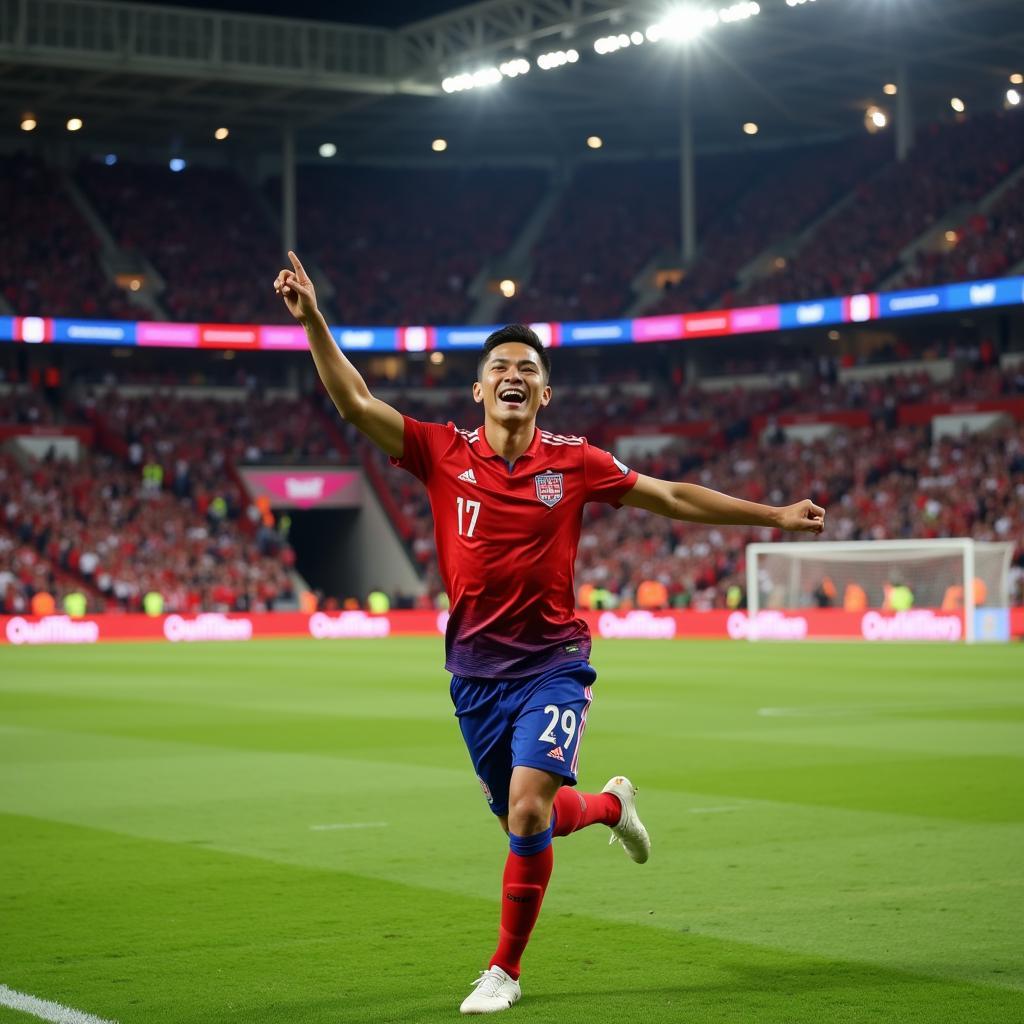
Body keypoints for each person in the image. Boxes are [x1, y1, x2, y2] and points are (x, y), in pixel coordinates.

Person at [274, 252, 826, 1015]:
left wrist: (771, 515)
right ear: (478, 389)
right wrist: (312, 321)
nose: (513, 374)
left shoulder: (574, 463)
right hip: (473, 672)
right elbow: (356, 401)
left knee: (527, 811)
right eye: (499, 364)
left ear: (543, 389)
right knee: (522, 815)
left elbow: (668, 494)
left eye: (527, 367)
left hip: (554, 663)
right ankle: (611, 805)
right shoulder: (440, 452)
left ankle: (504, 968)